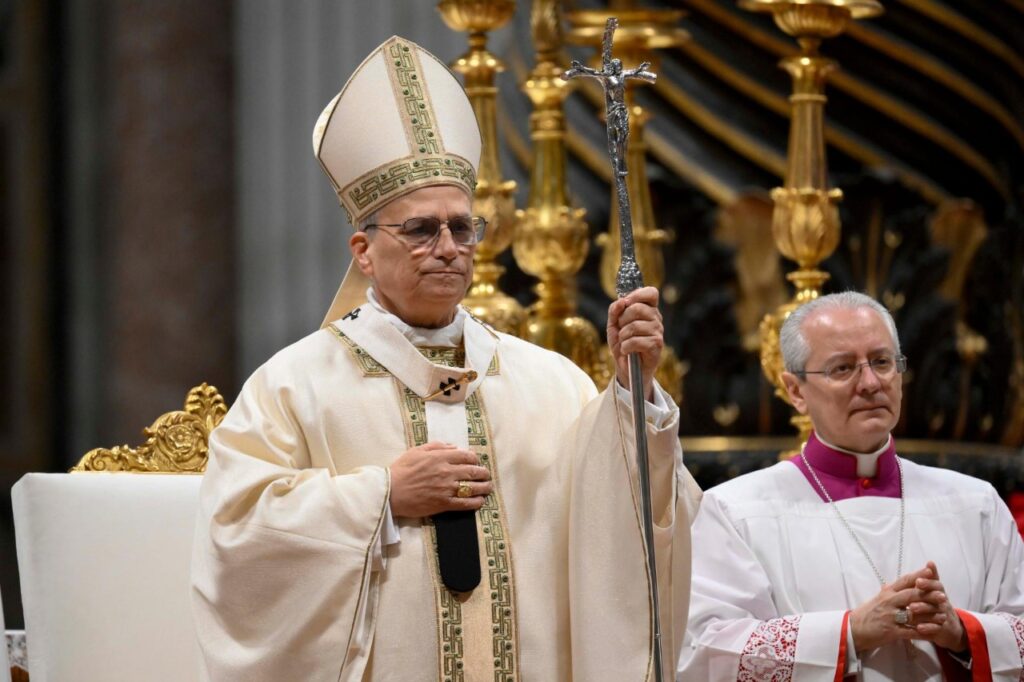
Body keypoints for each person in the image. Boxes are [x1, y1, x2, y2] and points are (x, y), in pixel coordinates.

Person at [191, 36, 700, 682]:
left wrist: (634, 393)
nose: (449, 247)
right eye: (421, 229)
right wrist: (383, 496)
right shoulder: (294, 386)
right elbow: (237, 533)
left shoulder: (549, 382)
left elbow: (621, 520)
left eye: (462, 227)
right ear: (363, 251)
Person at [678, 291, 1024, 680]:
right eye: (842, 368)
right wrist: (850, 632)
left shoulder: (976, 504)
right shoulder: (734, 512)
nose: (871, 383)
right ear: (795, 391)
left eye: (882, 362)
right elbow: (706, 652)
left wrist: (961, 633)